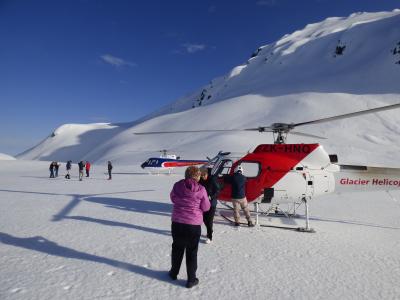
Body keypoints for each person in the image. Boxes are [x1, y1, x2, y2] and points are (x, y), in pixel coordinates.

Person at [169, 166, 210, 288]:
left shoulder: (177, 185)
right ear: (197, 176)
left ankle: (173, 273)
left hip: (177, 222)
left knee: (177, 248)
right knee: (192, 251)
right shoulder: (201, 189)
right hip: (193, 225)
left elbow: (173, 198)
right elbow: (206, 207)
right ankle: (191, 279)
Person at [199, 167, 222, 244]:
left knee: (209, 220)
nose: (203, 177)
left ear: (207, 173)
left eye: (204, 175)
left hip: (212, 203)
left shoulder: (212, 179)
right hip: (203, 203)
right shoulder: (201, 180)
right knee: (204, 219)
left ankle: (209, 237)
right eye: (201, 176)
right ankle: (210, 230)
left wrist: (211, 196)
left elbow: (218, 190)